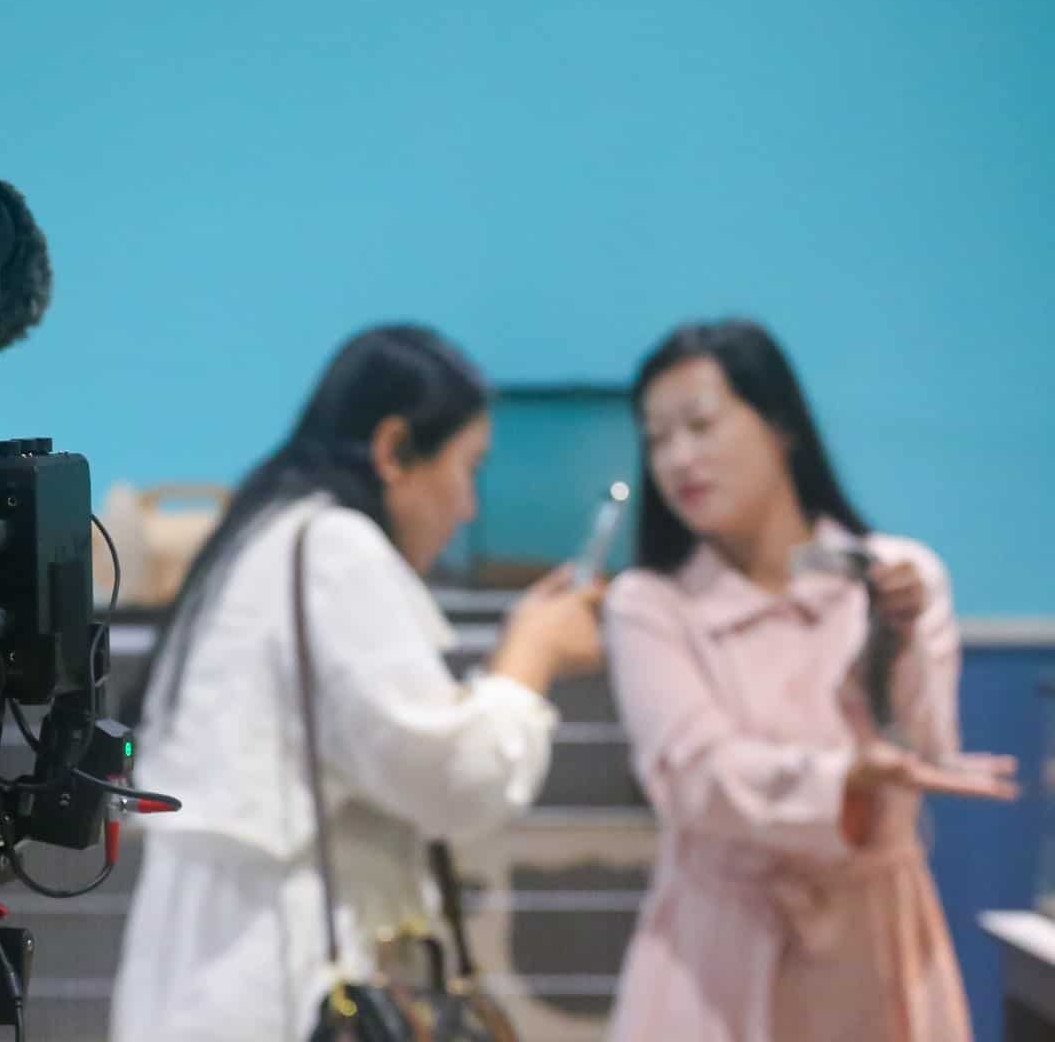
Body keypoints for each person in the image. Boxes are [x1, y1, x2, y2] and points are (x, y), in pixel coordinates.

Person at [110, 325, 608, 1042]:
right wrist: (529, 660)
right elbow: (447, 778)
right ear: (395, 450)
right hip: (282, 971)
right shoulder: (335, 550)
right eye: (468, 469)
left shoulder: (272, 536)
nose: (469, 507)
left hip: (218, 960)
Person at [604, 319, 1017, 1042]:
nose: (678, 459)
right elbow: (695, 776)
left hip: (873, 947)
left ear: (781, 424)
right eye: (657, 437)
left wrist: (890, 646)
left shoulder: (899, 576)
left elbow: (923, 752)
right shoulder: (648, 603)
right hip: (714, 958)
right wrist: (842, 778)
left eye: (700, 425)